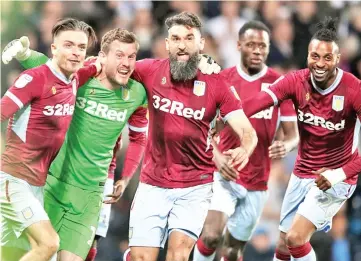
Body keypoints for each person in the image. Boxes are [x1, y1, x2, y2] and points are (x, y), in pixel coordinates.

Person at [122, 12, 258, 261]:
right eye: (175, 38)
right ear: (167, 44)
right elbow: (113, 69)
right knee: (141, 257)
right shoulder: (149, 70)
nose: (182, 44)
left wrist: (244, 149)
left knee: (179, 254)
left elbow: (248, 132)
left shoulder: (217, 84)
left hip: (195, 186)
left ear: (201, 43)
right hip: (153, 183)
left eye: (188, 38)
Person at [5, 28, 150, 261]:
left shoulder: (137, 94)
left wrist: (126, 177)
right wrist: (24, 54)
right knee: (40, 251)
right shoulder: (80, 77)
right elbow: (47, 68)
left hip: (91, 196)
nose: (126, 63)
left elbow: (139, 137)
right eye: (119, 56)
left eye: (131, 57)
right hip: (53, 185)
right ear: (103, 56)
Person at [242, 17, 360, 261]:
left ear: (338, 59)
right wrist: (220, 114)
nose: (320, 63)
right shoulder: (296, 81)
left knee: (296, 238)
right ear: (308, 55)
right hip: (302, 173)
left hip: (337, 177)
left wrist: (340, 173)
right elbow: (256, 102)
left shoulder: (353, 89)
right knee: (284, 247)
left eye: (327, 58)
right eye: (314, 56)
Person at [193, 21, 299, 261]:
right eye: (251, 44)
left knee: (232, 251)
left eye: (262, 45)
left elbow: (292, 133)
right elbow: (201, 129)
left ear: (269, 48)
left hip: (258, 179)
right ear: (239, 45)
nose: (257, 50)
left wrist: (288, 144)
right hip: (223, 172)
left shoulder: (280, 85)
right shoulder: (221, 79)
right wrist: (217, 159)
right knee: (210, 236)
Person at [0, 18, 98, 261]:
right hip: (14, 180)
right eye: (68, 45)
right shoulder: (35, 78)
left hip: (36, 185)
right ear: (53, 49)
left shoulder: (74, 78)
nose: (76, 53)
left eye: (81, 47)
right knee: (49, 244)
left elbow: (110, 62)